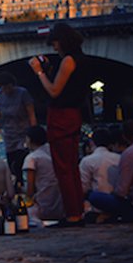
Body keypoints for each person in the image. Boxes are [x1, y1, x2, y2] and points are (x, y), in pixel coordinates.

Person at [29, 22, 91, 227]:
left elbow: (54, 91)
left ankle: (73, 215)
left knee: (63, 168)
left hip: (61, 117)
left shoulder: (68, 61)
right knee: (72, 166)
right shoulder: (81, 60)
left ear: (61, 41)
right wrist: (48, 69)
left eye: (54, 43)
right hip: (74, 116)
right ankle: (77, 210)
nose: (54, 47)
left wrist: (39, 72)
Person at [0, 72, 37, 187]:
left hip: (23, 132)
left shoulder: (22, 93)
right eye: (3, 87)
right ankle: (17, 185)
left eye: (8, 86)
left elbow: (31, 113)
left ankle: (26, 184)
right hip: (9, 133)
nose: (6, 90)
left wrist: (33, 131)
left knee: (20, 160)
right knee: (11, 161)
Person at [22, 125, 65, 223]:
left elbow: (30, 191)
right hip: (62, 206)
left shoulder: (32, 158)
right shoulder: (56, 153)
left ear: (29, 139)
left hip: (44, 207)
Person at [79, 126, 121, 198]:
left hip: (96, 203)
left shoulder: (87, 161)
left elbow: (83, 188)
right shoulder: (119, 158)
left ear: (92, 142)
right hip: (118, 202)